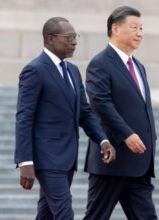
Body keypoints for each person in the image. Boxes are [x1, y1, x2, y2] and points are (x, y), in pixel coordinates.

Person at [14, 17, 116, 220]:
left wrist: (102, 140)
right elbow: (24, 117)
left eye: (75, 37)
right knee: (64, 212)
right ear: (50, 39)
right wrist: (25, 161)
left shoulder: (73, 71)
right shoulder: (35, 70)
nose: (74, 42)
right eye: (68, 37)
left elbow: (84, 112)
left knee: (46, 214)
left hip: (67, 158)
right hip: (46, 158)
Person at [83, 6, 158, 220]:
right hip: (112, 161)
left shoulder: (139, 66)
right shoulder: (100, 64)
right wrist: (126, 134)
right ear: (115, 28)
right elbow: (100, 103)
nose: (140, 33)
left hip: (140, 162)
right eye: (134, 27)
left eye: (142, 28)